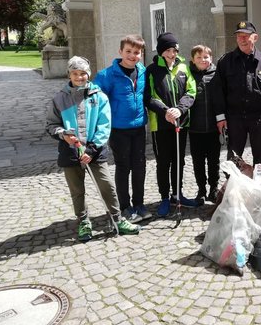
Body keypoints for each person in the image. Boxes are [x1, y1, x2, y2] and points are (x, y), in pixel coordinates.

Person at [46, 56, 141, 241]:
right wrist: (63, 134)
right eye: (75, 73)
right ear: (69, 74)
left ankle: (117, 219)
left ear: (88, 75)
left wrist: (91, 150)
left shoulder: (99, 97)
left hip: (94, 151)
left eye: (83, 73)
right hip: (70, 152)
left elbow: (104, 125)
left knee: (107, 186)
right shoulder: (59, 98)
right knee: (77, 191)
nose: (79, 77)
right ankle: (83, 222)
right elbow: (51, 125)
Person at [94, 34, 151, 223]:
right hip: (118, 130)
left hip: (139, 127)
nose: (132, 56)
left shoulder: (143, 72)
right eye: (128, 51)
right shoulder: (107, 75)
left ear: (141, 54)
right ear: (120, 52)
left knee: (140, 166)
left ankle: (140, 205)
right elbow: (94, 99)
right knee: (123, 167)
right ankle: (125, 207)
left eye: (136, 52)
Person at [144, 32, 200, 217]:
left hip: (181, 122)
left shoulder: (184, 67)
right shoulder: (152, 70)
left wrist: (180, 109)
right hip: (161, 124)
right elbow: (149, 97)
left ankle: (178, 193)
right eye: (168, 50)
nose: (171, 53)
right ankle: (164, 197)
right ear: (161, 52)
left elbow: (191, 91)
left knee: (179, 160)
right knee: (163, 162)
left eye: (174, 50)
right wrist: (165, 111)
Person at [212, 21, 261, 164]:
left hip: (259, 117)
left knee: (260, 157)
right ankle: (233, 185)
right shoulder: (225, 62)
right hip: (235, 117)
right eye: (239, 36)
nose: (242, 39)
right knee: (233, 157)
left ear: (255, 38)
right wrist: (220, 117)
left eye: (246, 36)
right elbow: (218, 91)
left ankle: (257, 185)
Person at [188, 44, 221, 203]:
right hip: (195, 128)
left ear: (211, 58)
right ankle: (201, 189)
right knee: (198, 161)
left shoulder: (216, 74)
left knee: (214, 160)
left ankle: (213, 188)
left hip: (214, 128)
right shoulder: (188, 75)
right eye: (199, 57)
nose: (203, 60)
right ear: (193, 60)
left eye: (206, 57)